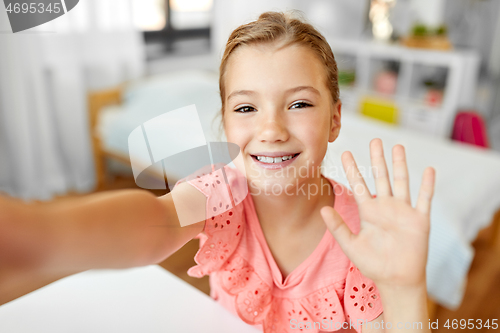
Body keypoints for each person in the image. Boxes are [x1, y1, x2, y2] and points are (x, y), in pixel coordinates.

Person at [0, 11, 435, 333]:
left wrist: (406, 290)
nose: (271, 129)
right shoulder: (221, 192)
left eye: (299, 103)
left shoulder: (363, 237)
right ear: (225, 124)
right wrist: (44, 238)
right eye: (246, 107)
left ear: (335, 120)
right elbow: (157, 223)